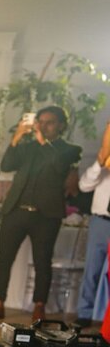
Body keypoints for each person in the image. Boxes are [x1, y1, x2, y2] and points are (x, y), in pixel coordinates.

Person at [0, 106, 83, 322]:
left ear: (61, 125)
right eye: (40, 121)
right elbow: (8, 164)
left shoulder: (70, 150)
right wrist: (18, 135)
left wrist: (41, 140)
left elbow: (57, 167)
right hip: (16, 210)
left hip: (46, 215)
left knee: (42, 261)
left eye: (50, 122)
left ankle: (39, 306)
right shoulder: (27, 146)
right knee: (4, 259)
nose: (44, 126)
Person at [76, 119, 110, 327]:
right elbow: (84, 186)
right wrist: (100, 162)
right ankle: (84, 313)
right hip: (101, 221)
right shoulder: (103, 165)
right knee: (93, 269)